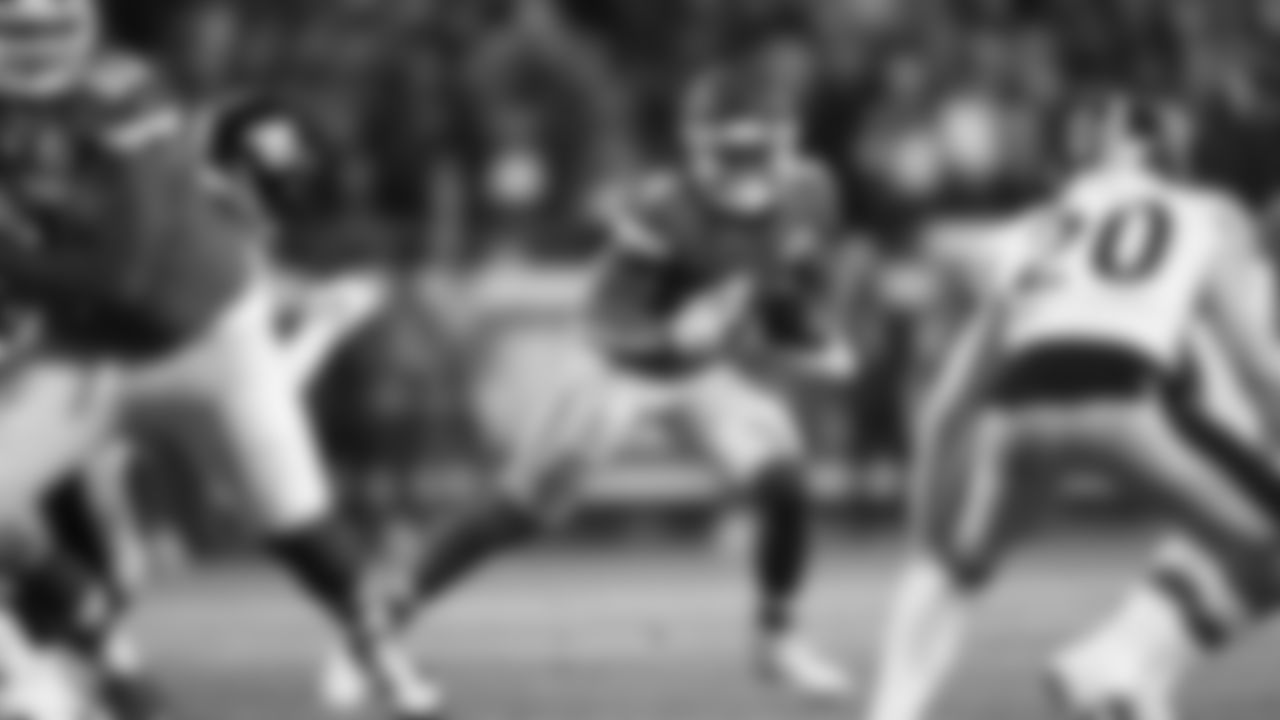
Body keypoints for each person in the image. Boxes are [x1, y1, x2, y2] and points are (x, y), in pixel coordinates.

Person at [320, 60, 859, 710]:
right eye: (729, 154)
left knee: (786, 484)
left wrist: (812, 335)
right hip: (617, 367)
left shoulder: (812, 193)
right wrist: (668, 339)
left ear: (788, 143)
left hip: (705, 371)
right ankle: (372, 629)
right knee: (517, 511)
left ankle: (777, 638)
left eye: (756, 153)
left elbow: (788, 286)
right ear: (697, 148)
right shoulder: (665, 209)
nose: (744, 171)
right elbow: (605, 319)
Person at [0, 0, 431, 718]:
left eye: (49, 29)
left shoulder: (121, 96)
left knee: (296, 524)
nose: (34, 47)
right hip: (85, 343)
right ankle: (74, 660)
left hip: (201, 341)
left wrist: (13, 268)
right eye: (17, 29)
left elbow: (123, 275)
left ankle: (393, 670)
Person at [863, 92, 1280, 720]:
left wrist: (928, 520)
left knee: (954, 566)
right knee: (1261, 542)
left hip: (1016, 409)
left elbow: (955, 390)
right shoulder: (1205, 214)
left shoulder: (1040, 226)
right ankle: (1119, 667)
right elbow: (1255, 367)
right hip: (1124, 401)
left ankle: (891, 713)